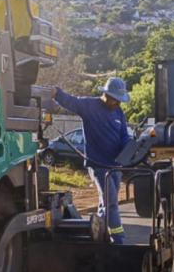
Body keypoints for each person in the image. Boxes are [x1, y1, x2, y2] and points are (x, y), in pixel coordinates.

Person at [52, 78, 132, 244]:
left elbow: (124, 135)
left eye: (119, 100)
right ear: (106, 94)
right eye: (115, 99)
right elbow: (71, 101)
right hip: (99, 165)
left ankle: (100, 234)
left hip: (116, 165)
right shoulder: (89, 106)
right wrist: (57, 93)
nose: (117, 103)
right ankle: (118, 238)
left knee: (106, 203)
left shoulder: (119, 113)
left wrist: (129, 145)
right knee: (111, 203)